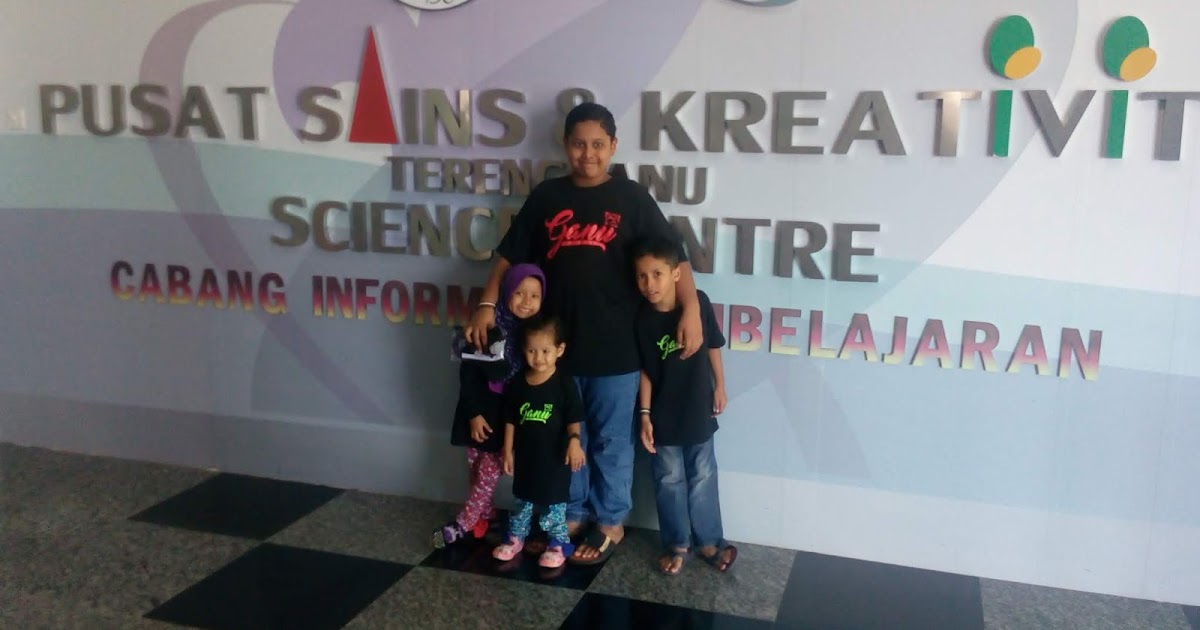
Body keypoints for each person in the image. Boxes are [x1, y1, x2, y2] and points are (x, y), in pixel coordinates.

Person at [465, 102, 704, 564]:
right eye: (579, 144)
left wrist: (691, 308)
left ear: (613, 146)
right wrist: (487, 304)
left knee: (612, 441)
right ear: (565, 145)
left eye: (597, 144)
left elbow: (674, 257)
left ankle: (610, 520)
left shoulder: (632, 198)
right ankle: (570, 514)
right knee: (566, 437)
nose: (588, 154)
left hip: (617, 349)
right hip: (555, 351)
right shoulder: (548, 196)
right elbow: (509, 257)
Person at [632, 235, 737, 575]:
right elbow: (645, 371)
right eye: (642, 276)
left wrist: (720, 386)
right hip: (662, 415)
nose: (650, 284)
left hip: (698, 409)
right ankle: (677, 544)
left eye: (657, 274)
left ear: (676, 273)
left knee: (704, 475)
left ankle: (709, 542)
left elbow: (713, 346)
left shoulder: (698, 303)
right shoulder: (641, 319)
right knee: (668, 479)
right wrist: (645, 415)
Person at [434, 264, 546, 549]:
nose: (527, 301)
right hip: (479, 411)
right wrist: (474, 413)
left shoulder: (537, 336)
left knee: (488, 472)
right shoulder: (488, 327)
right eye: (519, 293)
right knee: (475, 467)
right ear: (505, 292)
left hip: (507, 416)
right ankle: (485, 516)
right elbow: (469, 373)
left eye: (534, 295)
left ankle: (464, 522)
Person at [493, 316, 586, 568]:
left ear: (560, 350)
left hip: (555, 460)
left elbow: (574, 419)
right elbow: (510, 420)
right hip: (527, 459)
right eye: (532, 351)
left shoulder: (564, 384)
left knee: (554, 504)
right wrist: (508, 451)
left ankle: (558, 543)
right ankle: (515, 539)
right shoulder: (517, 384)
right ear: (524, 350)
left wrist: (575, 442)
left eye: (546, 351)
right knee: (522, 501)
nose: (539, 358)